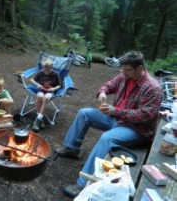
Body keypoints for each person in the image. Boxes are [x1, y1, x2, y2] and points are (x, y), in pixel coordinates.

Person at [56, 51, 162, 198]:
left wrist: (116, 111)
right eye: (122, 69)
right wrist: (102, 93)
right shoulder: (124, 76)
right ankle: (72, 149)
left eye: (127, 70)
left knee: (107, 138)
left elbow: (145, 115)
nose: (123, 73)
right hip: (117, 118)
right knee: (84, 113)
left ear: (140, 68)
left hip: (136, 129)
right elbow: (108, 85)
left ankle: (84, 183)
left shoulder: (153, 88)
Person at [30, 58, 61, 132]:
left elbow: (59, 85)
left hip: (49, 91)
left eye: (47, 70)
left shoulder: (55, 74)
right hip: (41, 89)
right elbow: (32, 80)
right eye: (44, 69)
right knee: (40, 96)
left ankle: (37, 120)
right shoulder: (41, 72)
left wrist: (53, 89)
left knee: (46, 98)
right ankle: (40, 119)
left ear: (51, 68)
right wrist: (37, 84)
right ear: (43, 67)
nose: (45, 71)